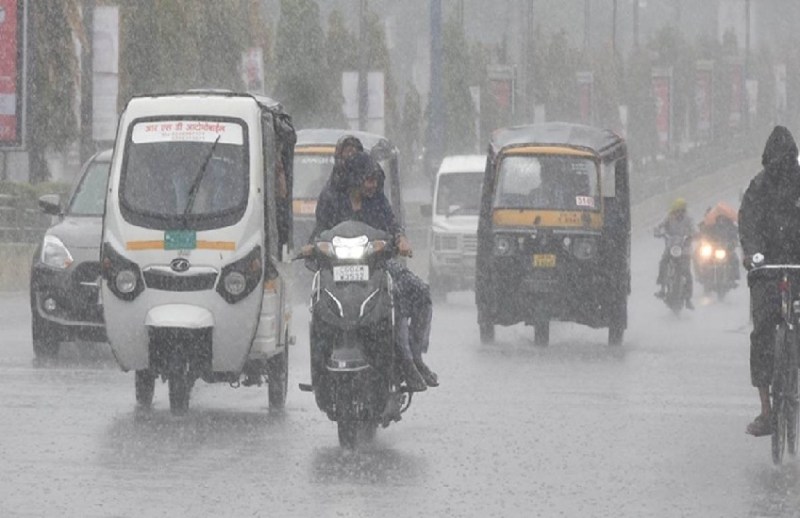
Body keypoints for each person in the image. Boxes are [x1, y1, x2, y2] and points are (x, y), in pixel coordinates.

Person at [304, 151, 438, 392]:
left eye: (375, 180)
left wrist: (400, 239)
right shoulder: (334, 200)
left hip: (378, 265)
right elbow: (320, 231)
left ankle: (412, 358)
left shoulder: (378, 201)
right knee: (319, 305)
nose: (372, 185)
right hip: (337, 268)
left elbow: (393, 226)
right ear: (355, 178)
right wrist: (312, 246)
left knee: (418, 293)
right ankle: (321, 369)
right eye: (368, 180)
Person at [739, 125, 800, 437]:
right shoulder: (759, 187)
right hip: (766, 269)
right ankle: (767, 411)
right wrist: (752, 254)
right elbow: (748, 222)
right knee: (762, 333)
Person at [654, 197, 695, 310]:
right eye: (677, 211)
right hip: (671, 248)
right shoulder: (669, 217)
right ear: (674, 211)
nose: (679, 213)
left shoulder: (689, 219)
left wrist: (693, 235)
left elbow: (694, 229)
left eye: (682, 211)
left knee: (687, 272)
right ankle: (662, 288)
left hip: (684, 250)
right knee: (663, 263)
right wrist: (658, 232)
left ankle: (688, 299)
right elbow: (658, 226)